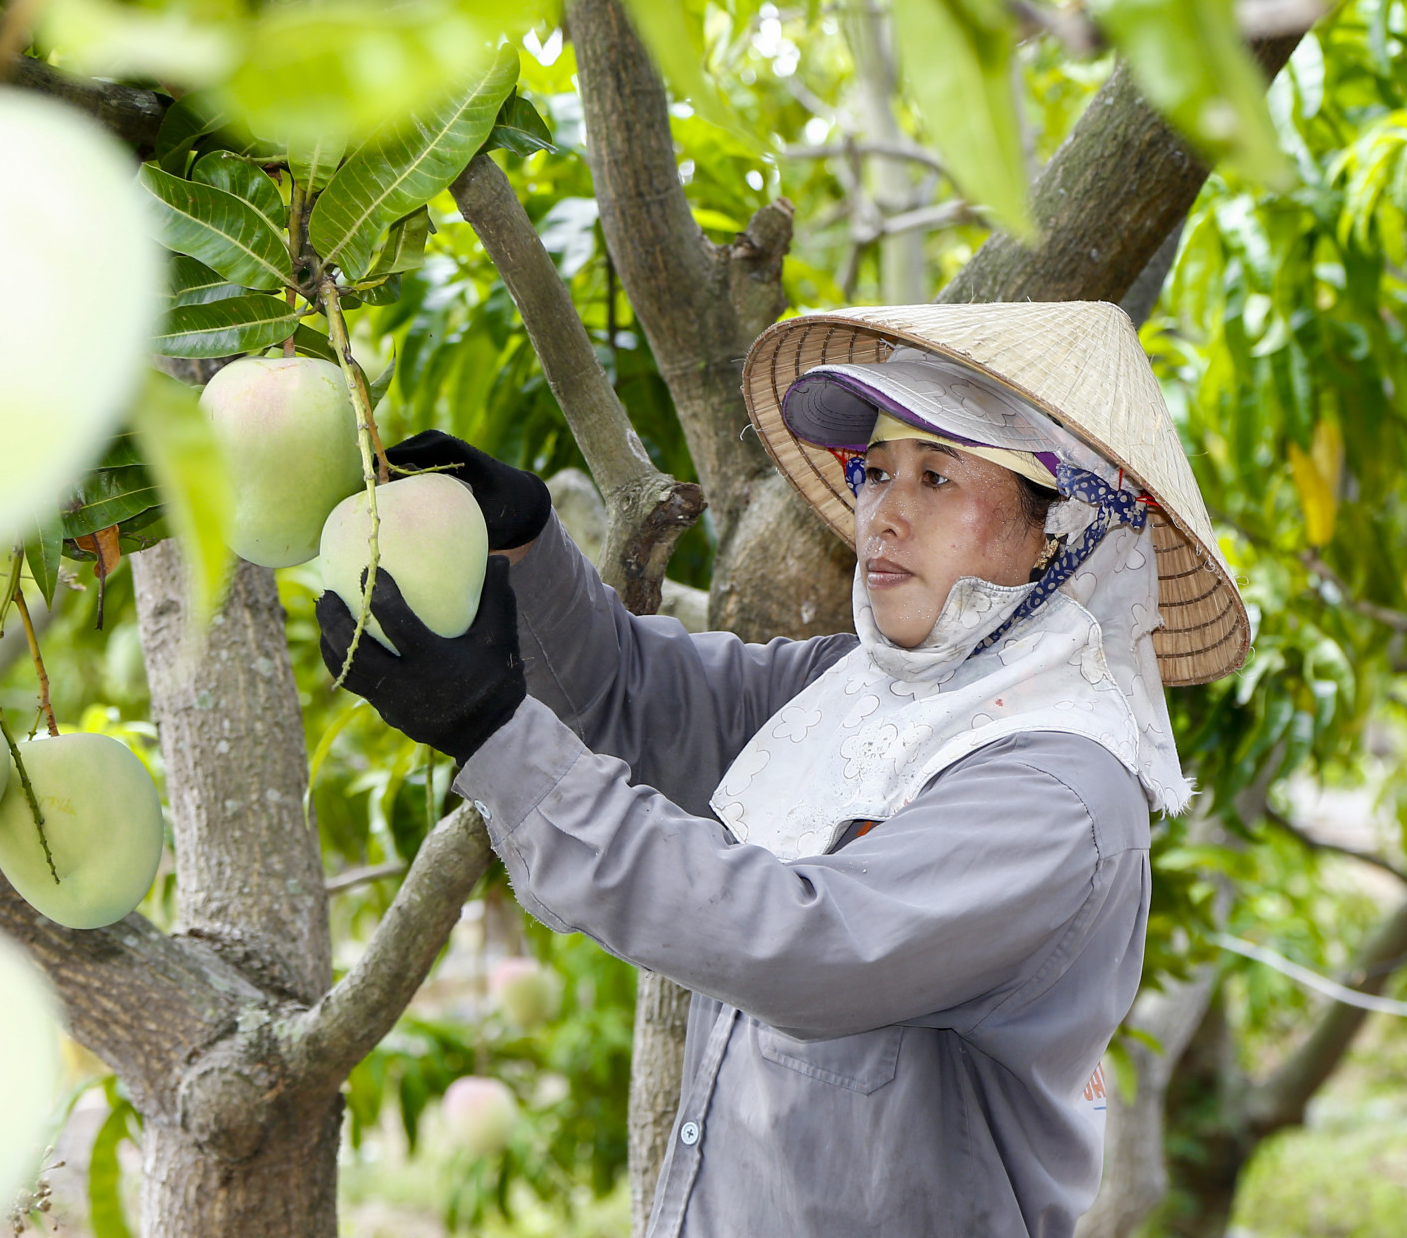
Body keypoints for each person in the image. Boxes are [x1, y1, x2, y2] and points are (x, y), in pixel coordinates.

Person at [317, 302, 1250, 1238]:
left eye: (937, 476)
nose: (886, 512)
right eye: (877, 471)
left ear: (1064, 531)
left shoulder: (1059, 794)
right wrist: (526, 549)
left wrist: (491, 732)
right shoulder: (860, 689)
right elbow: (645, 701)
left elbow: (806, 946)